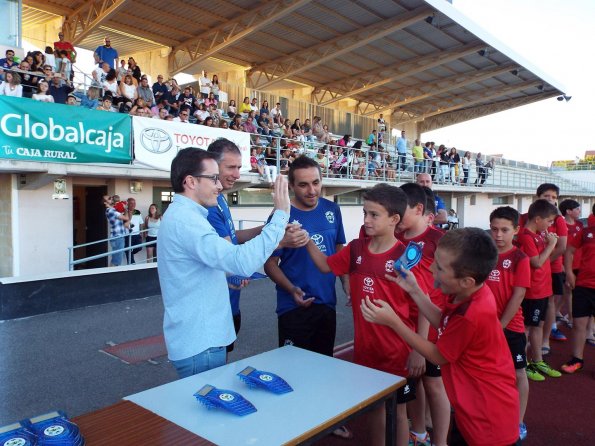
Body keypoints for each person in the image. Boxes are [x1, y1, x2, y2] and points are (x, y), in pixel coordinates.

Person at [361, 228, 521, 446]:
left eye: (439, 267)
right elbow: (444, 322)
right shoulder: (470, 294)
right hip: (474, 408)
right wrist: (415, 290)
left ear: (466, 281)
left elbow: (438, 356)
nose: (432, 269)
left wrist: (394, 322)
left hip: (487, 418)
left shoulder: (473, 313)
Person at [157, 148, 291, 378]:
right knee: (207, 411)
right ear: (190, 181)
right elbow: (240, 261)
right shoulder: (187, 221)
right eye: (213, 178)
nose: (219, 186)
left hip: (200, 341)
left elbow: (204, 265)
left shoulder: (186, 216)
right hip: (202, 343)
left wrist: (225, 278)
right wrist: (280, 215)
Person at [305, 184, 419, 446]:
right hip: (366, 351)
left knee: (399, 412)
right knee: (375, 409)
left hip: (397, 351)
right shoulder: (356, 248)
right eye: (364, 213)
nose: (366, 220)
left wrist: (418, 349)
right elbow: (325, 265)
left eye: (373, 215)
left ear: (394, 219)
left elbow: (419, 306)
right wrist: (308, 241)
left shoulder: (405, 257)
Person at [207, 139, 308, 354]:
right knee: (211, 377)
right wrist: (279, 239)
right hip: (215, 309)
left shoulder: (220, 199)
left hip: (229, 305)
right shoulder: (208, 206)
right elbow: (233, 258)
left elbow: (234, 237)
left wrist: (270, 228)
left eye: (239, 167)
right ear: (212, 167)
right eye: (231, 167)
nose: (237, 174)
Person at [397, 183, 450, 446]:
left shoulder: (437, 241)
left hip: (428, 328)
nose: (395, 215)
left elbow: (428, 296)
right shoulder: (396, 235)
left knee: (433, 384)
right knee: (414, 382)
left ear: (419, 209)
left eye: (400, 210)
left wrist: (419, 347)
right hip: (402, 325)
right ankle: (418, 432)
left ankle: (439, 441)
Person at [486, 206, 531, 441]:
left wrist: (501, 325)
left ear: (516, 230)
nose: (498, 235)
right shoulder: (484, 255)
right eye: (494, 229)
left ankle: (519, 421)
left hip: (510, 327)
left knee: (518, 373)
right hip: (483, 327)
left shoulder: (519, 258)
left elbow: (519, 295)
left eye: (504, 230)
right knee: (488, 374)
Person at [516, 199, 561, 381]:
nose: (551, 225)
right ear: (537, 219)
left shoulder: (538, 234)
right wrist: (551, 245)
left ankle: (537, 360)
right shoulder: (526, 236)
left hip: (542, 289)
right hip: (533, 291)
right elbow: (536, 262)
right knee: (526, 327)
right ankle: (523, 362)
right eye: (549, 221)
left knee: (537, 326)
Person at [520, 183, 569, 351]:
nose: (551, 200)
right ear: (538, 198)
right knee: (529, 316)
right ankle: (524, 354)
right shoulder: (526, 222)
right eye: (547, 196)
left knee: (547, 305)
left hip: (548, 269)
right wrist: (540, 262)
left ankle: (544, 342)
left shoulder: (558, 219)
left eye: (554, 197)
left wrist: (544, 261)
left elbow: (561, 247)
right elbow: (534, 259)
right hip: (535, 272)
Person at [562, 210, 595, 374]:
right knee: (578, 324)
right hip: (583, 285)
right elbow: (570, 251)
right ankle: (577, 359)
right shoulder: (586, 232)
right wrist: (568, 272)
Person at [559, 199, 583, 328]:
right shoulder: (562, 226)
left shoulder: (579, 224)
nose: (580, 211)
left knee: (568, 293)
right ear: (568, 211)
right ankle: (571, 317)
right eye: (577, 209)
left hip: (579, 264)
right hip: (566, 265)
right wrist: (562, 265)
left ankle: (558, 311)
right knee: (568, 292)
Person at [103, 195, 129, 267]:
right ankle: (112, 276)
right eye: (109, 198)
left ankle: (110, 275)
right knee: (116, 260)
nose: (111, 198)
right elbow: (126, 218)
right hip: (118, 237)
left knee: (115, 259)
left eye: (110, 197)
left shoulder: (112, 210)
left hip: (116, 236)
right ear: (105, 203)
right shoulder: (111, 211)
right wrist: (126, 209)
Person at [125, 198, 143, 264]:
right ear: (127, 204)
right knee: (128, 251)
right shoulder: (124, 212)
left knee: (139, 248)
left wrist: (141, 232)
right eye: (131, 203)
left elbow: (141, 223)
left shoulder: (138, 212)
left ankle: (131, 253)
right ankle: (132, 265)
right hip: (127, 235)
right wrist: (128, 213)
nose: (133, 205)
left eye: (134, 203)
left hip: (137, 235)